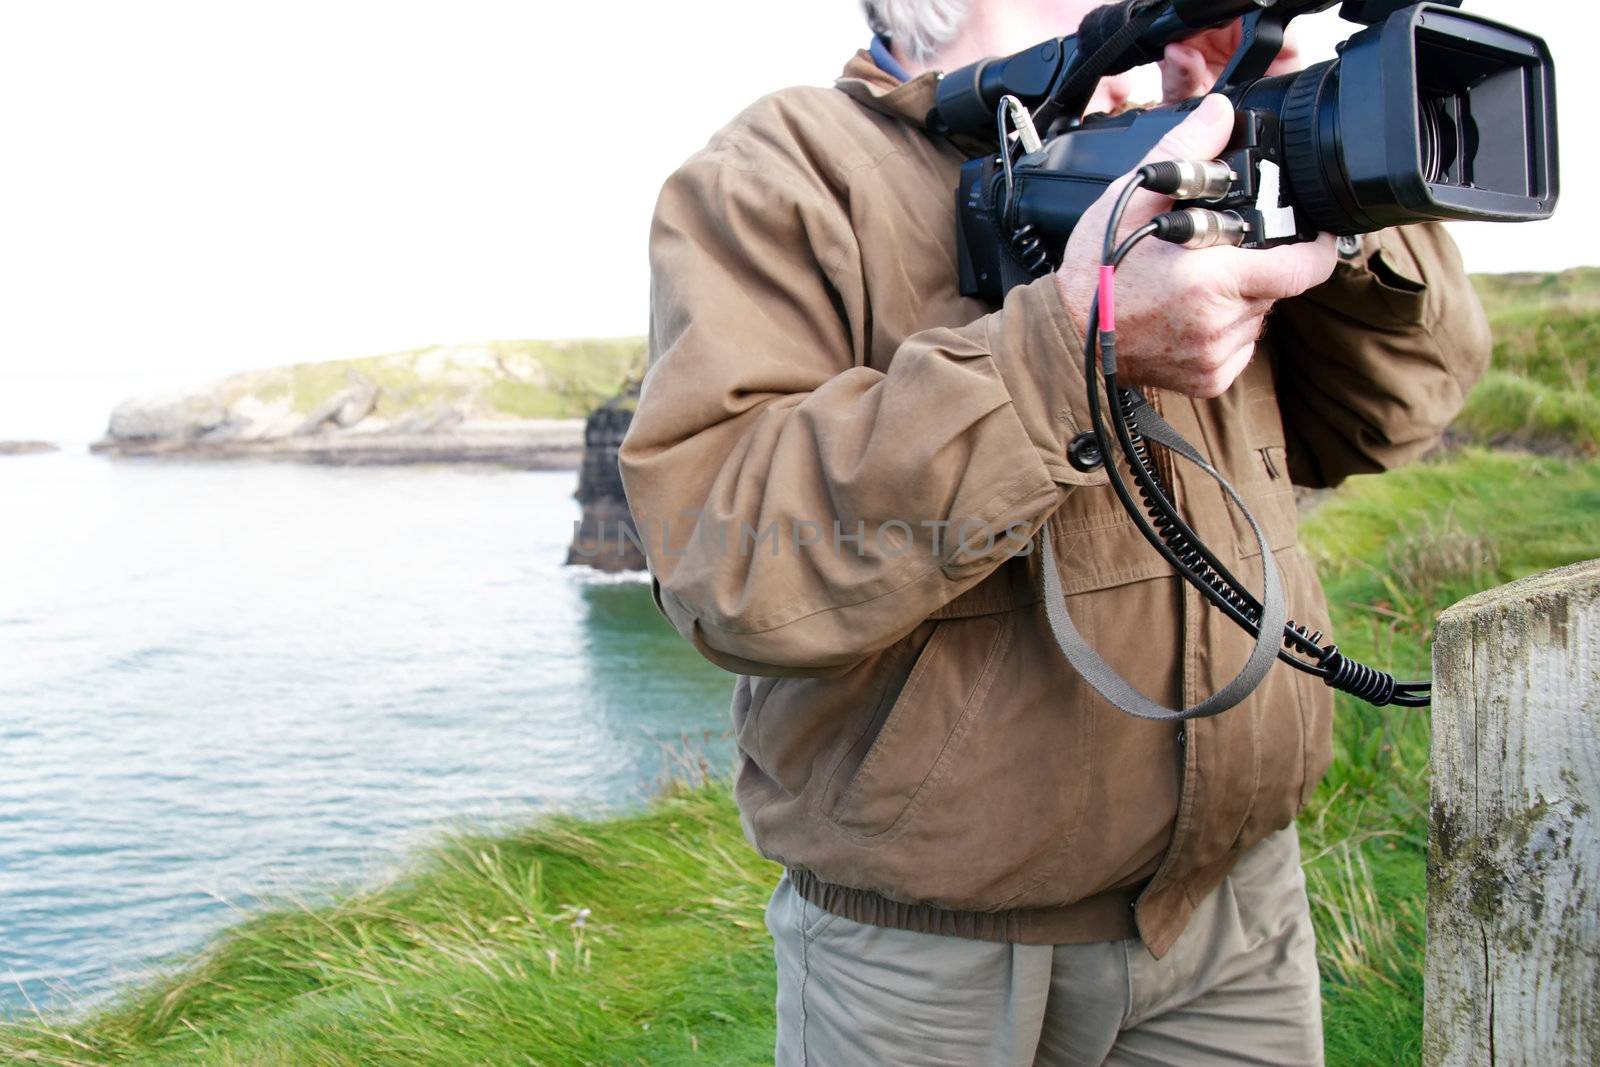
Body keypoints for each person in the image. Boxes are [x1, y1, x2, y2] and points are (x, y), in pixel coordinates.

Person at [619, 0, 1490, 1063]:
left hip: (1234, 907)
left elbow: (1393, 413)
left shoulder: (1177, 146)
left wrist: (1317, 164)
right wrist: (1068, 351)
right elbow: (730, 562)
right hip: (928, 960)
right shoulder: (786, 167)